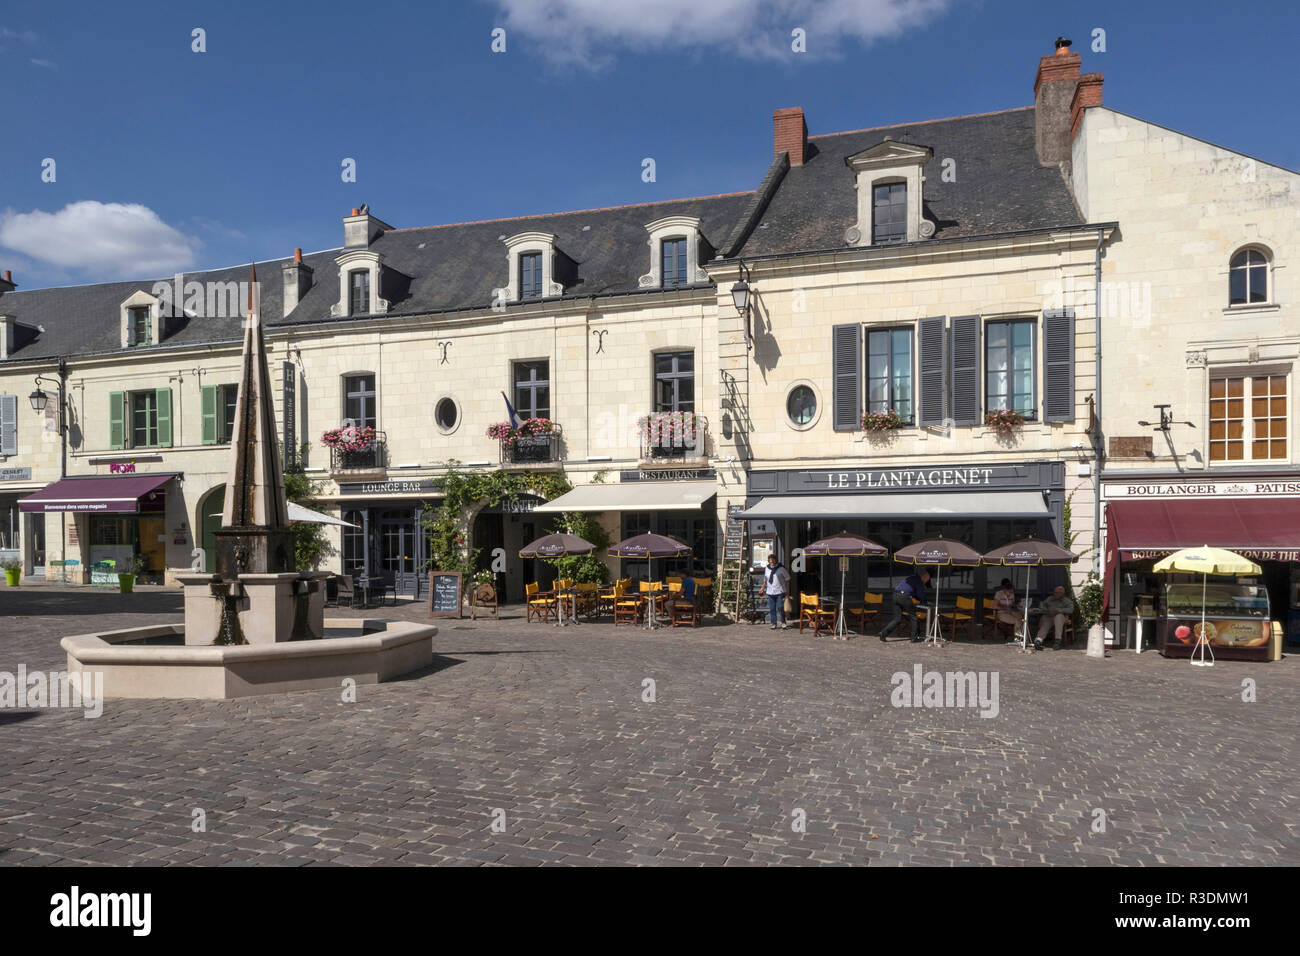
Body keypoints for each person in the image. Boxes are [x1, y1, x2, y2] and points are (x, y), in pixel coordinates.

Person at [879, 570, 931, 642]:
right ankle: (914, 637)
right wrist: (925, 602)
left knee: (897, 619)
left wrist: (921, 599)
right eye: (927, 580)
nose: (925, 582)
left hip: (895, 595)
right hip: (904, 596)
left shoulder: (911, 578)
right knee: (913, 616)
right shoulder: (919, 581)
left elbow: (914, 593)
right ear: (924, 577)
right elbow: (920, 594)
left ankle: (883, 633)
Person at [1034, 585, 1075, 650]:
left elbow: (1071, 610)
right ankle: (1038, 640)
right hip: (1049, 616)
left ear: (1062, 594)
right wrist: (1047, 611)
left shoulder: (1066, 601)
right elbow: (1041, 605)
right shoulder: (1050, 599)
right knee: (1045, 622)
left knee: (1058, 617)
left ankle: (1057, 641)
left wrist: (1058, 611)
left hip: (1061, 617)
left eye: (1058, 593)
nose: (1056, 594)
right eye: (1055, 592)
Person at [763, 554, 791, 629]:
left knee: (780, 607)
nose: (771, 561)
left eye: (773, 559)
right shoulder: (767, 568)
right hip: (770, 591)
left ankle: (783, 622)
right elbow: (765, 580)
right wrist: (762, 588)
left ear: (776, 560)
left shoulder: (781, 568)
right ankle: (773, 623)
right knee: (772, 608)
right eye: (770, 560)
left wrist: (787, 592)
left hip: (779, 591)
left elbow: (788, 579)